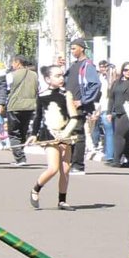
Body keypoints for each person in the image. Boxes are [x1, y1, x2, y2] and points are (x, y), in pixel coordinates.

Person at [29, 65, 80, 210]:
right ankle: (36, 189)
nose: (61, 78)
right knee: (53, 168)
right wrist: (33, 135)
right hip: (48, 135)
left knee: (65, 169)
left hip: (65, 134)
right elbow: (38, 117)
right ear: (47, 79)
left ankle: (62, 200)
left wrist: (65, 134)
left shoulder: (66, 94)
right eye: (57, 76)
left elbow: (74, 117)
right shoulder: (42, 95)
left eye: (62, 75)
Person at [65, 39, 99, 173]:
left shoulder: (87, 65)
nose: (72, 51)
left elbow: (95, 84)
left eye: (74, 48)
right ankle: (71, 161)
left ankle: (78, 165)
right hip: (68, 104)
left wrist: (83, 100)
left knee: (78, 134)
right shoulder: (74, 65)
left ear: (82, 49)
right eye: (71, 49)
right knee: (70, 134)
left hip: (78, 106)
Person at [0, 55, 38, 164]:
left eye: (13, 62)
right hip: (30, 106)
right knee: (23, 131)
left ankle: (20, 157)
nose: (12, 65)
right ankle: (20, 153)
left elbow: (5, 88)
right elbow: (37, 89)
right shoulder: (35, 75)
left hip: (15, 106)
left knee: (13, 132)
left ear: (17, 63)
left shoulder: (11, 75)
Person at [106, 63, 129, 168]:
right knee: (127, 137)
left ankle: (116, 160)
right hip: (118, 112)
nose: (128, 72)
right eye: (125, 70)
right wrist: (109, 112)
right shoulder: (117, 83)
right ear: (122, 71)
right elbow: (111, 98)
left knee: (119, 135)